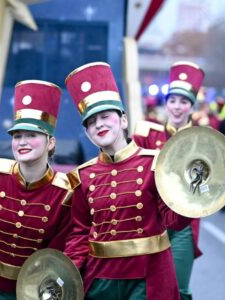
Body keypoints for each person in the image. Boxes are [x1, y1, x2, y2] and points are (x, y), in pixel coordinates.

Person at [63, 62, 192, 300]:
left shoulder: (156, 164)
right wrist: (67, 274)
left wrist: (191, 194)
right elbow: (80, 232)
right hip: (101, 280)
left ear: (123, 121)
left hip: (149, 276)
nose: (99, 124)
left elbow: (173, 220)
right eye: (91, 122)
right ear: (87, 132)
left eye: (105, 117)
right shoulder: (82, 176)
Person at [0, 80, 73, 300]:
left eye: (32, 135)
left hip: (35, 291)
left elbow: (58, 251)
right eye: (17, 136)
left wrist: (49, 290)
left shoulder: (65, 193)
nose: (22, 142)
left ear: (50, 142)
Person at [132, 61, 204, 300]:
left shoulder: (202, 141)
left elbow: (208, 184)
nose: (177, 107)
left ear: (191, 106)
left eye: (183, 102)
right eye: (172, 100)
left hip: (183, 223)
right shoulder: (146, 134)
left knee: (180, 289)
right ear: (166, 103)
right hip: (149, 220)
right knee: (144, 286)